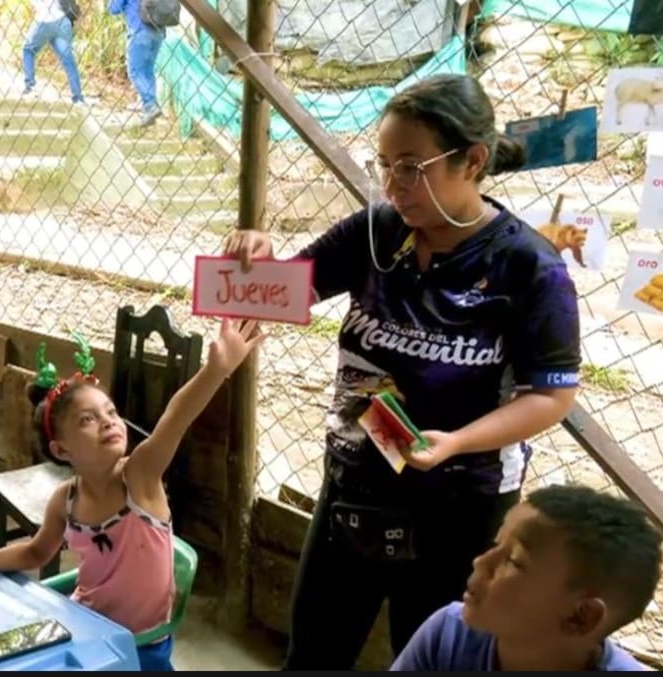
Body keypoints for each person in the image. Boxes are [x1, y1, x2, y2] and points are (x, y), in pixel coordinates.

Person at [221, 73, 582, 669]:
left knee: (434, 656)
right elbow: (280, 294)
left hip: (460, 501)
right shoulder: (375, 230)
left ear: (472, 161)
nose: (393, 184)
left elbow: (551, 396)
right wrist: (254, 259)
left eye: (412, 167)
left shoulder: (526, 266)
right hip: (356, 481)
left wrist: (457, 443)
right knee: (313, 653)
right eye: (385, 164)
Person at [0, 320, 265, 671]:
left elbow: (177, 416)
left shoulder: (139, 477)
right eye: (87, 420)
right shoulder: (65, 500)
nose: (108, 421)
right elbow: (34, 552)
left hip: (140, 647)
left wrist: (215, 371)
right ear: (61, 450)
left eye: (111, 412)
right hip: (84, 627)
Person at [391, 484, 662, 671]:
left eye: (514, 560)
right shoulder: (449, 635)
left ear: (580, 616)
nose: (481, 562)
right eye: (496, 544)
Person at [109, 0, 165, 127]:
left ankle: (150, 105)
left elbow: (114, 9)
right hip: (158, 32)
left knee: (134, 71)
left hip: (139, 30)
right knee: (148, 70)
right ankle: (149, 109)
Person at [22, 0, 85, 104]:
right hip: (62, 20)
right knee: (68, 61)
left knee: (28, 50)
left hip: (44, 21)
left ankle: (30, 86)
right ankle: (78, 97)